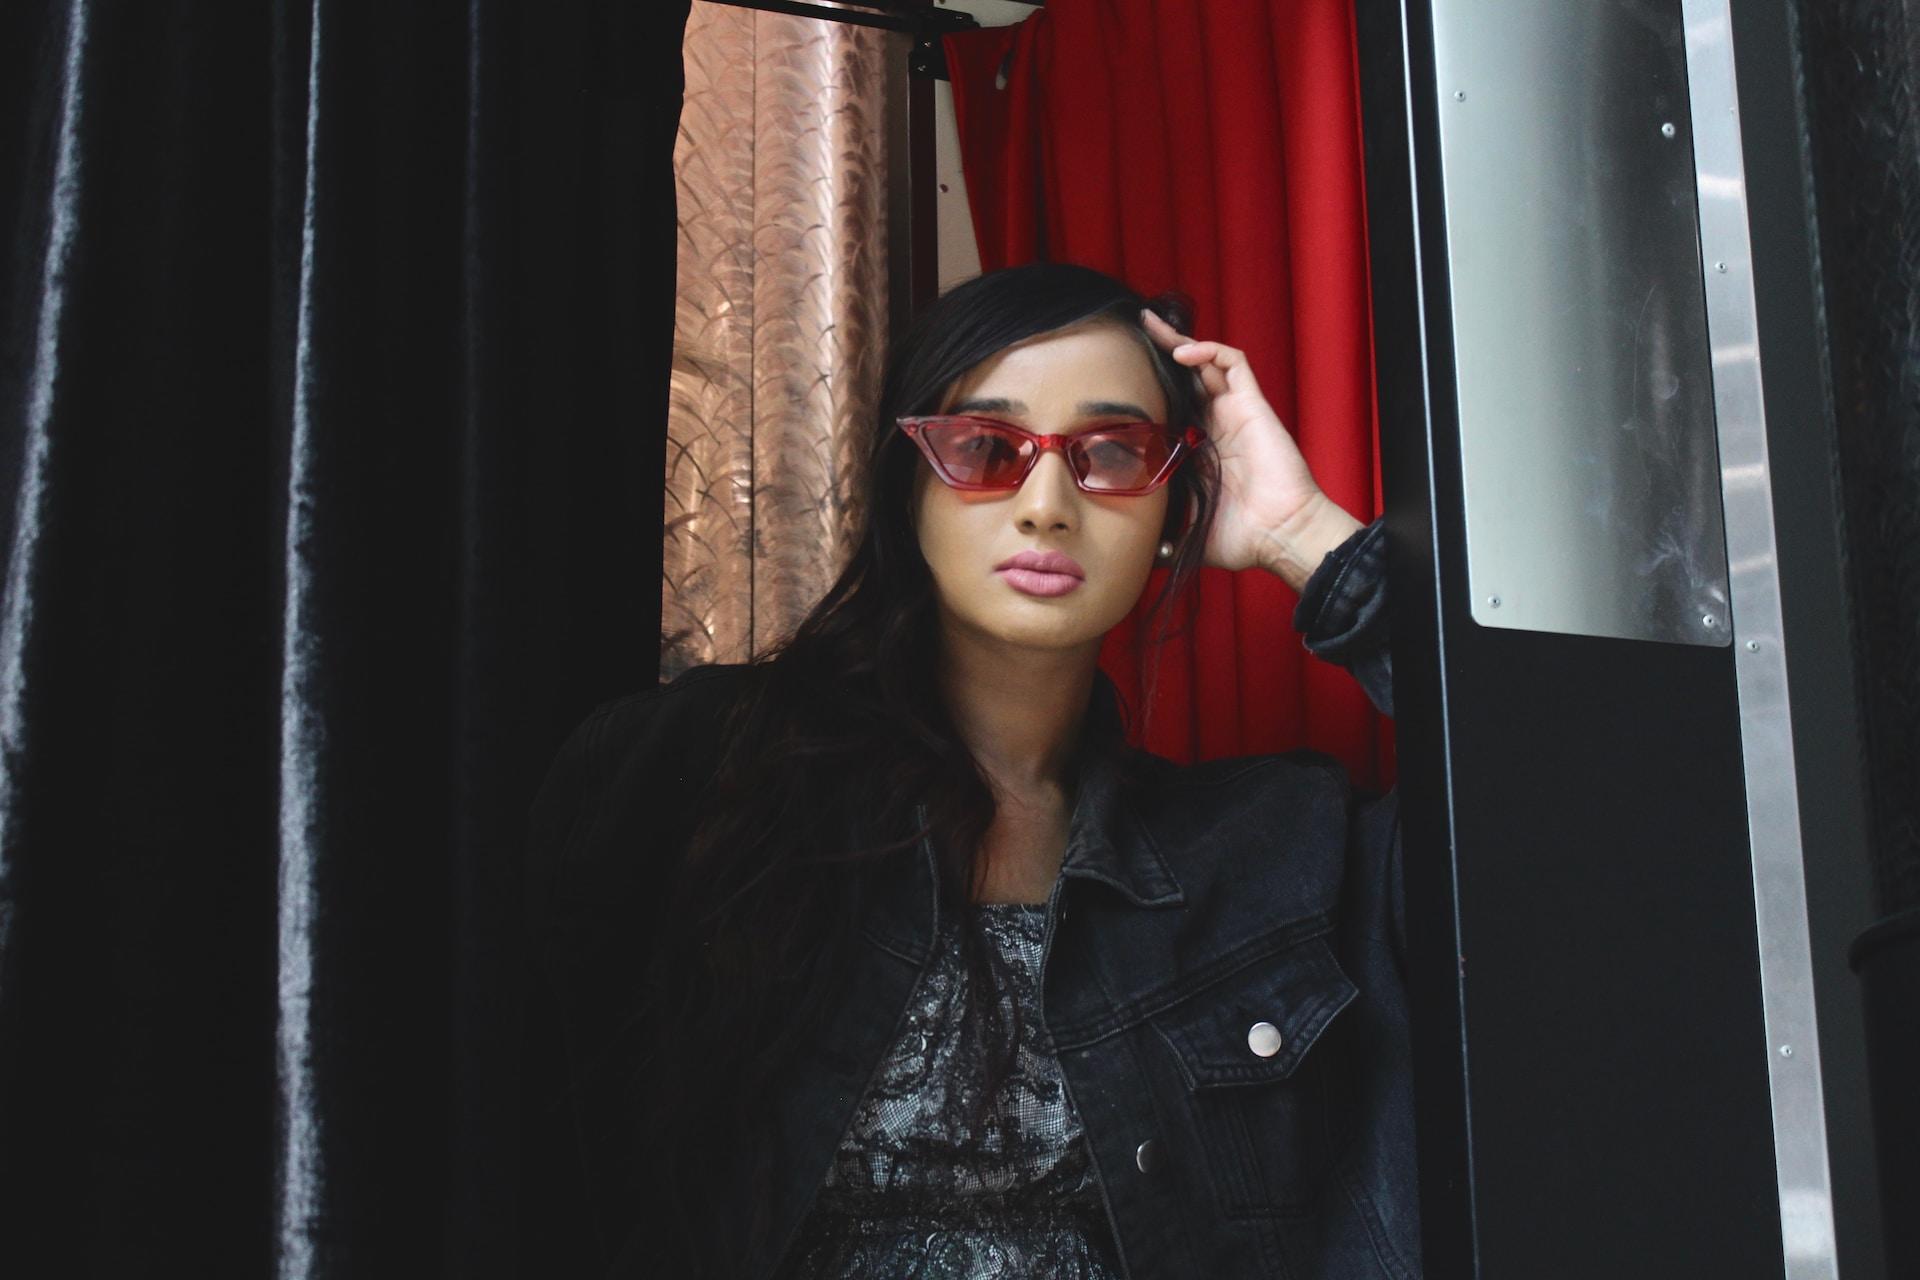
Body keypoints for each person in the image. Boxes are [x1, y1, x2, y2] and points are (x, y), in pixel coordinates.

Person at [521, 262, 1414, 1279]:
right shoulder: (698, 774)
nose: (1045, 503)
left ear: (1175, 510)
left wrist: (1308, 539)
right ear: (910, 489)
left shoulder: (1277, 856)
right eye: (986, 449)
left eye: (1112, 452)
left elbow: (1569, 838)